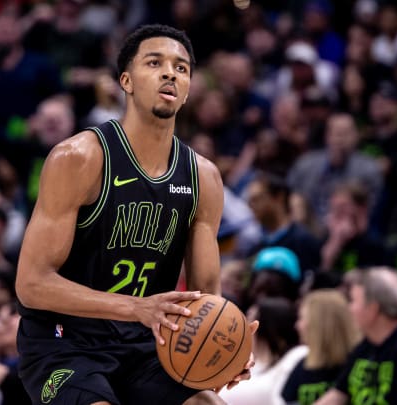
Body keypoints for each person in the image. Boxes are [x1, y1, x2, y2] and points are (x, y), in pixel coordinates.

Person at [15, 24, 257, 405]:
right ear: (126, 81)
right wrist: (136, 308)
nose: (169, 73)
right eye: (155, 62)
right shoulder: (80, 158)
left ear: (189, 86)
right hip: (66, 343)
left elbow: (206, 293)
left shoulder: (203, 178)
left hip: (148, 345)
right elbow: (31, 284)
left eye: (181, 68)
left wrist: (227, 344)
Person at [315, 268, 397, 405]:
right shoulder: (368, 343)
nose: (349, 308)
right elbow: (338, 393)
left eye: (353, 301)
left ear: (373, 308)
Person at [282, 290, 361, 405]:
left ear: (320, 325)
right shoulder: (303, 365)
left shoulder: (356, 364)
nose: (297, 325)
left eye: (301, 318)